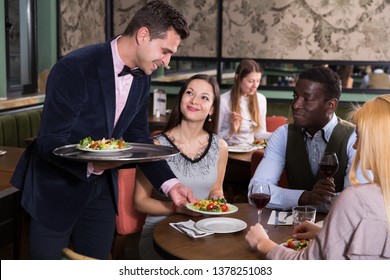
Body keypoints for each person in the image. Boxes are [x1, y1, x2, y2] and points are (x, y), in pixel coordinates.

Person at [10, 0, 197, 260]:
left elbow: (138, 138)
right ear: (143, 35)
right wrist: (92, 165)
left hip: (101, 193)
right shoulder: (75, 67)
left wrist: (171, 185)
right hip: (55, 189)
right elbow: (48, 141)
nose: (167, 62)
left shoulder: (143, 77)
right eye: (165, 51)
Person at [245, 94, 390, 260]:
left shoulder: (356, 199)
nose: (355, 145)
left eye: (359, 136)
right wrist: (326, 234)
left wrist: (263, 243)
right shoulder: (283, 134)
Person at [134, 74, 228, 259]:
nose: (194, 100)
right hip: (160, 233)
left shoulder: (221, 146)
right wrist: (177, 208)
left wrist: (217, 200)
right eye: (190, 93)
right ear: (181, 99)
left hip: (204, 231)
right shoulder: (154, 145)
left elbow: (216, 189)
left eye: (204, 97)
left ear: (212, 109)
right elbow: (139, 201)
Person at [251, 66, 366, 212]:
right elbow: (257, 191)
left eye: (307, 98)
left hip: (337, 229)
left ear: (330, 105)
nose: (296, 105)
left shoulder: (355, 139)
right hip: (289, 230)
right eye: (295, 97)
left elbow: (357, 201)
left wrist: (307, 200)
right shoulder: (283, 134)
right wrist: (305, 197)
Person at [218, 59, 271, 146]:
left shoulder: (261, 99)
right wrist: (231, 131)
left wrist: (278, 134)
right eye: (250, 81)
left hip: (251, 151)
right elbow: (213, 138)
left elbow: (259, 134)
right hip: (229, 152)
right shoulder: (223, 101)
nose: (255, 86)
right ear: (238, 78)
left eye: (258, 81)